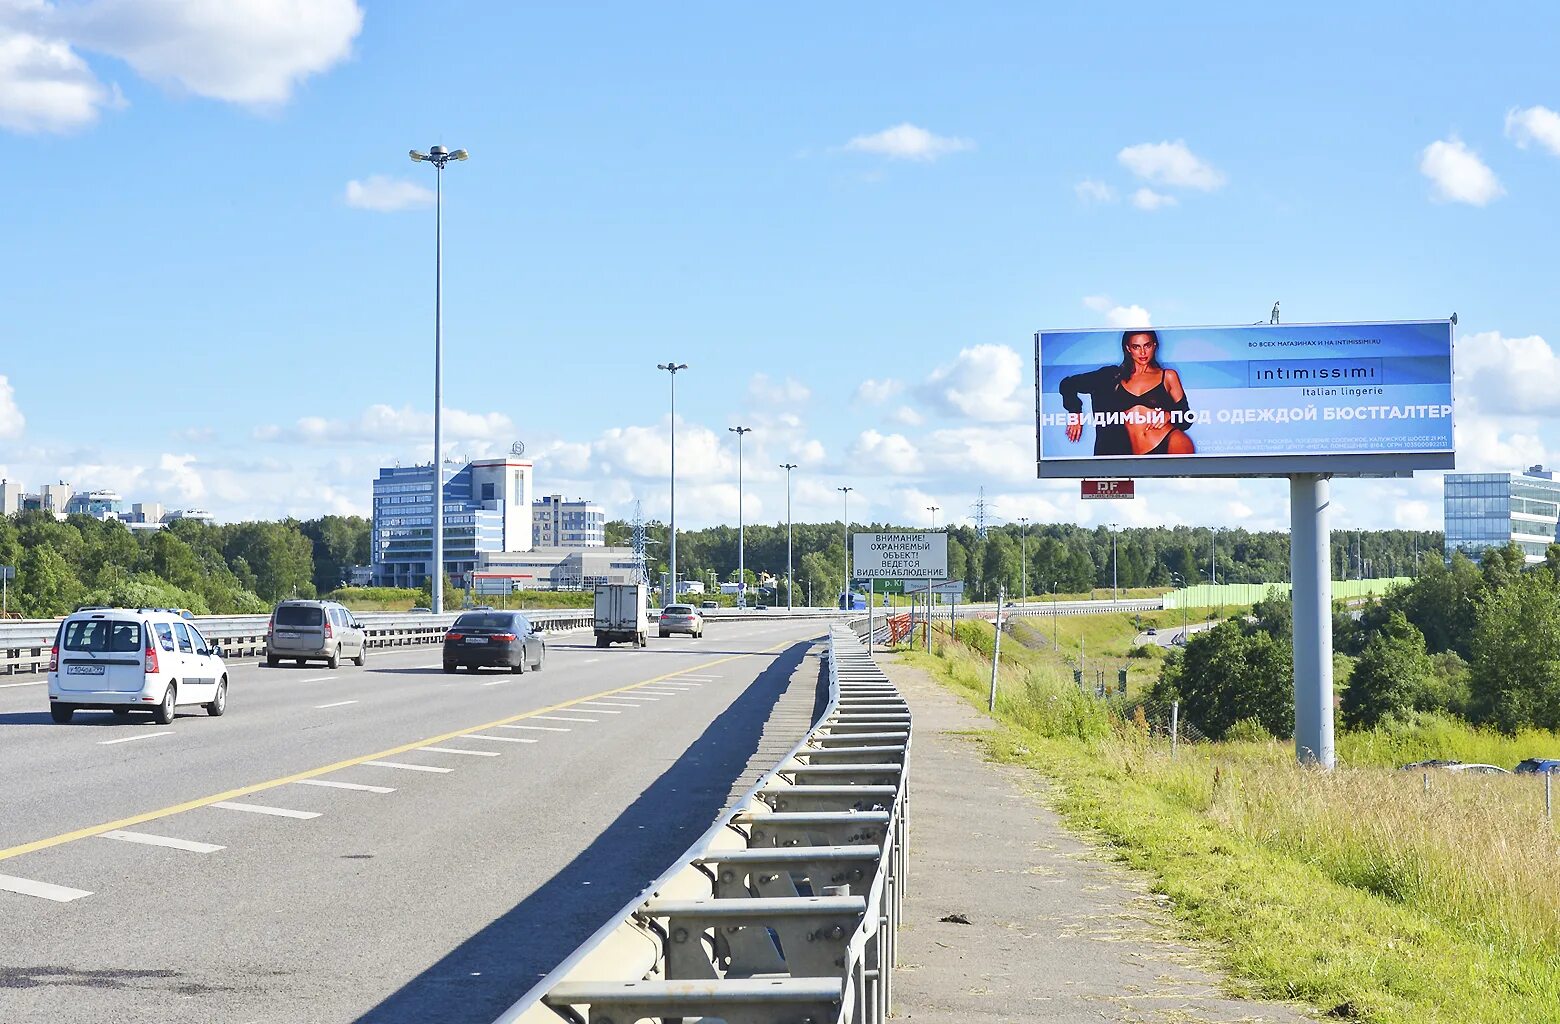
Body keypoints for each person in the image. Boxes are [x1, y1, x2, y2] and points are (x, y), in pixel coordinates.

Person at [1059, 330, 1195, 456]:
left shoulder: (1168, 376)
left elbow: (1187, 418)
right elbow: (1068, 384)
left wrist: (1169, 415)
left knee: (1181, 482)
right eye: (1136, 347)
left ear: (1154, 346)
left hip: (1170, 440)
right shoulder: (1110, 377)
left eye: (1147, 345)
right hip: (1128, 453)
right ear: (1128, 349)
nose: (1142, 352)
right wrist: (1075, 413)